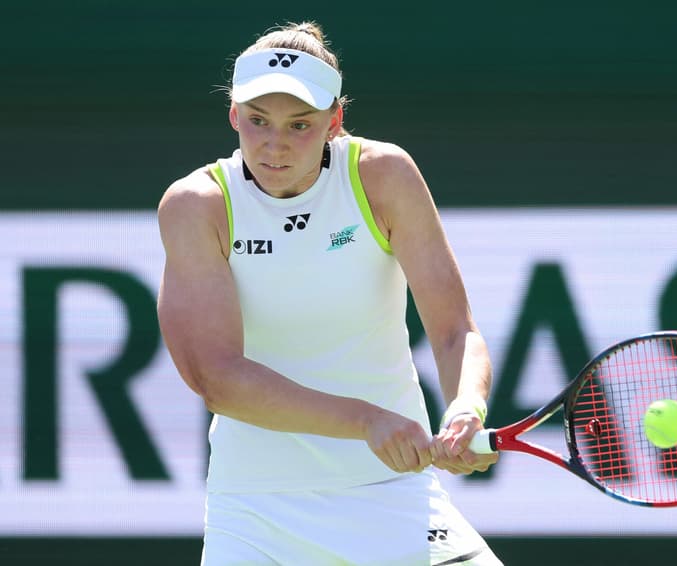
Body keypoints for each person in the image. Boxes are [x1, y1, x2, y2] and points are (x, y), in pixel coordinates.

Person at [156, 20, 503, 565]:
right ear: (232, 115)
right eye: (257, 120)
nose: (275, 144)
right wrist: (368, 420)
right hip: (257, 513)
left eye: (300, 124)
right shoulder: (196, 205)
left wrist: (466, 405)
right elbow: (217, 379)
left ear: (334, 121)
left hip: (396, 495)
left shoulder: (383, 175)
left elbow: (456, 331)